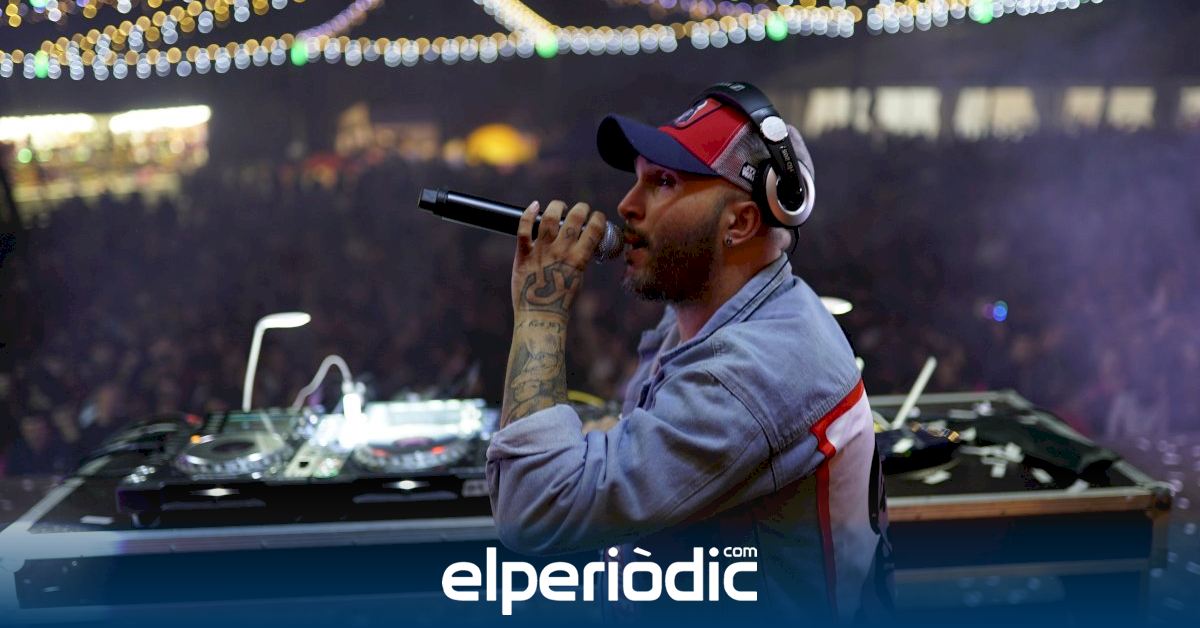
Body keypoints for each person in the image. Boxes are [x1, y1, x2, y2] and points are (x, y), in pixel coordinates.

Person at [486, 83, 891, 622]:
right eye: (638, 178)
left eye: (664, 182)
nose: (626, 205)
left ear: (740, 223)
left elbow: (533, 508)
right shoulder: (719, 315)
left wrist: (541, 309)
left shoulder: (756, 370)